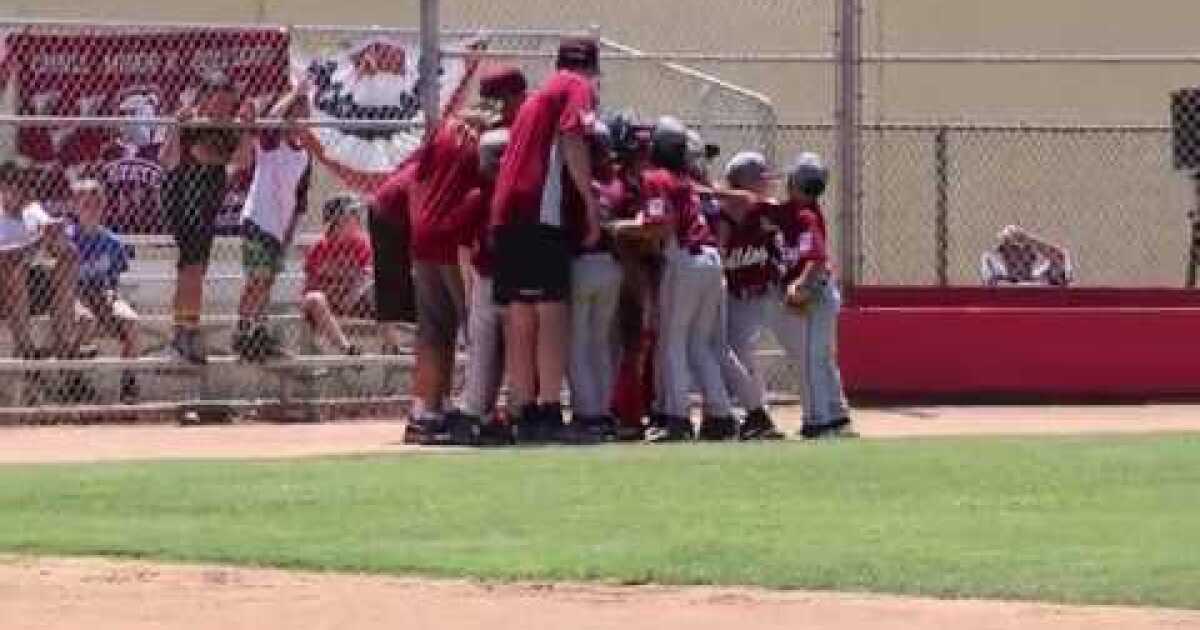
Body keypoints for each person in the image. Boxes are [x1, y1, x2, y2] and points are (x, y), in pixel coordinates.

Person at [404, 65, 529, 443]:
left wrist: (423, 224)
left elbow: (416, 180)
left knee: (433, 331)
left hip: (424, 234)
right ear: (510, 99)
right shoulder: (495, 137)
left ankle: (425, 413)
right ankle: (481, 413)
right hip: (460, 240)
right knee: (484, 332)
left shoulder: (445, 127)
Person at [490, 38, 603, 443]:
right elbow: (573, 139)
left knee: (522, 312)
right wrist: (589, 203)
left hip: (507, 210)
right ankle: (551, 409)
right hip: (539, 208)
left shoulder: (539, 96)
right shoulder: (576, 86)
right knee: (551, 311)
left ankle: (525, 409)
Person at [615, 116, 736, 443]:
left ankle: (678, 419)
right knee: (699, 344)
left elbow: (659, 226)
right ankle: (721, 415)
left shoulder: (656, 177)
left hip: (684, 259)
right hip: (709, 260)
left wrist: (617, 228)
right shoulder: (684, 179)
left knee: (673, 343)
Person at [159, 72, 255, 364]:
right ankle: (185, 331)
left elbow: (241, 161)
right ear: (205, 99)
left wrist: (247, 129)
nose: (225, 108)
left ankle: (185, 328)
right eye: (219, 101)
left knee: (196, 271)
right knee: (191, 268)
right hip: (185, 200)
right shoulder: (191, 122)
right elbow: (170, 159)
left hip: (207, 204)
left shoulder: (228, 129)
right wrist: (176, 127)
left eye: (229, 103)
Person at [769, 153, 854, 439]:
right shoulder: (798, 210)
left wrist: (799, 286)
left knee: (811, 358)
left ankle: (818, 420)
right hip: (822, 293)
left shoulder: (806, 215)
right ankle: (837, 414)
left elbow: (816, 258)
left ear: (796, 182)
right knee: (821, 358)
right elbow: (766, 208)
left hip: (816, 292)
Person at [232, 81, 316, 362]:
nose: (301, 122)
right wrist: (293, 93)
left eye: (306, 116)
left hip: (278, 230)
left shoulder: (304, 157)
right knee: (258, 278)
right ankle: (242, 330)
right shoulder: (272, 144)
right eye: (296, 115)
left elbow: (299, 204)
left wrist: (289, 236)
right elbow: (270, 121)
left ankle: (257, 332)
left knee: (266, 283)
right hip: (257, 219)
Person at [443, 128, 515, 445]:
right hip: (500, 282)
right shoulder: (494, 195)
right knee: (492, 353)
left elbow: (461, 250)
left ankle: (479, 412)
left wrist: (468, 292)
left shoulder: (486, 195)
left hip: (494, 283)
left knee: (489, 353)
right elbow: (462, 246)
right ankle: (479, 413)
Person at [712, 152, 785, 440]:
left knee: (740, 352)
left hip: (756, 294)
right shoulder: (722, 213)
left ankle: (755, 414)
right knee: (736, 354)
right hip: (729, 293)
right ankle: (753, 413)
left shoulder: (764, 209)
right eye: (761, 180)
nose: (767, 185)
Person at [565, 120, 624, 441]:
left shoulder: (578, 183)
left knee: (577, 343)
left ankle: (587, 413)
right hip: (611, 267)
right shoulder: (616, 184)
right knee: (600, 343)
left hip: (582, 264)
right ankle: (601, 410)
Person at [0, 162, 85, 360]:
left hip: (30, 283)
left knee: (69, 254)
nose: (15, 189)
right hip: (5, 285)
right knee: (13, 267)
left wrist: (56, 232)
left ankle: (64, 343)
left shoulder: (32, 209)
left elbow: (48, 228)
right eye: (8, 184)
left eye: (20, 184)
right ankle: (25, 348)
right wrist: (38, 242)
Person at [67, 179, 141, 404]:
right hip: (73, 295)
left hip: (101, 294)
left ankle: (128, 383)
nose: (91, 209)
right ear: (75, 207)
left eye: (96, 203)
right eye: (85, 204)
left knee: (131, 320)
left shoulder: (111, 242)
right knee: (86, 320)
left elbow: (113, 282)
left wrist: (110, 295)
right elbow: (60, 281)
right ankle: (75, 381)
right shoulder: (67, 237)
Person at [300, 194, 375, 355]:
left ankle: (392, 345)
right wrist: (333, 296)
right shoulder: (318, 248)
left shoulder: (361, 244)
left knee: (380, 285)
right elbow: (309, 287)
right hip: (327, 306)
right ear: (338, 219)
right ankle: (347, 349)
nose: (358, 218)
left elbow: (368, 274)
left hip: (355, 303)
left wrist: (351, 297)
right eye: (352, 214)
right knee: (314, 298)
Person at [982, 225, 1072, 287]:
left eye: (1017, 251)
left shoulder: (1043, 278)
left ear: (1032, 257)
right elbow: (988, 263)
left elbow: (1060, 257)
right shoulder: (999, 280)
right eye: (1006, 253)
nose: (1011, 257)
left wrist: (1029, 239)